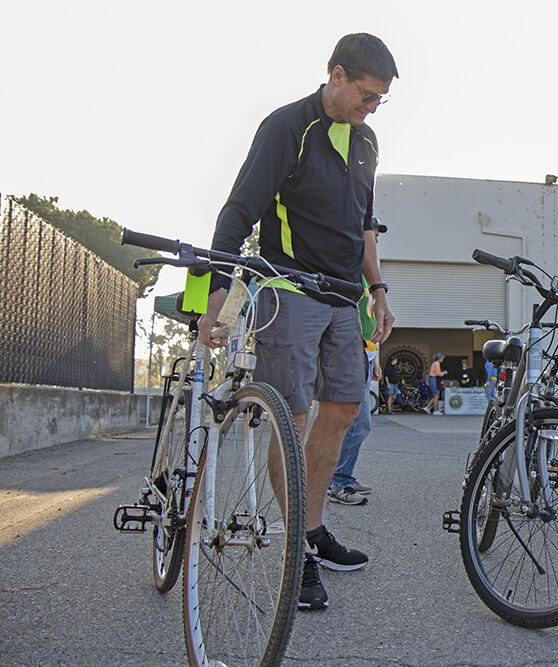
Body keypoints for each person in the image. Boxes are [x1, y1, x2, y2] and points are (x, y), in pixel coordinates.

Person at [197, 33, 398, 611]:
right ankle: (293, 552)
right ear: (335, 74)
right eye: (365, 94)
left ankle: (311, 529)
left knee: (342, 412)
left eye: (380, 100)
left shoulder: (367, 142)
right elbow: (237, 211)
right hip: (289, 292)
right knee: (294, 416)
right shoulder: (287, 127)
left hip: (344, 298)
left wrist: (378, 290)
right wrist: (215, 297)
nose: (370, 108)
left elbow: (365, 224)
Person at [327, 219, 389, 506]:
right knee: (356, 422)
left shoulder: (369, 276)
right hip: (351, 350)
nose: (375, 240)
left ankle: (343, 476)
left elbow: (368, 323)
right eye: (373, 235)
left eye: (376, 237)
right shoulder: (351, 269)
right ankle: (338, 480)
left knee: (356, 422)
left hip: (365, 352)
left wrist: (374, 360)